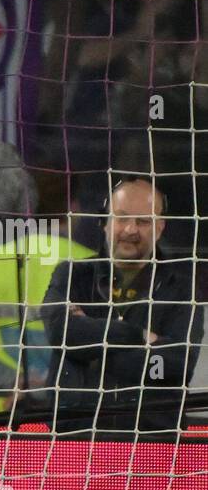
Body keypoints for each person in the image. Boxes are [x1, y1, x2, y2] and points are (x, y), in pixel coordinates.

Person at [40, 177, 203, 433]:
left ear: (159, 228)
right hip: (75, 439)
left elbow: (173, 367)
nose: (130, 229)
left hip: (152, 444)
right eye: (122, 218)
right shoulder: (72, 275)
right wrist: (137, 337)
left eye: (143, 221)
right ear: (105, 223)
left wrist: (91, 345)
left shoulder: (181, 289)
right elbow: (61, 331)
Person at [0, 143, 97, 414]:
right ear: (73, 207)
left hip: (5, 417)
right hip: (74, 417)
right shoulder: (92, 264)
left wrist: (15, 382)